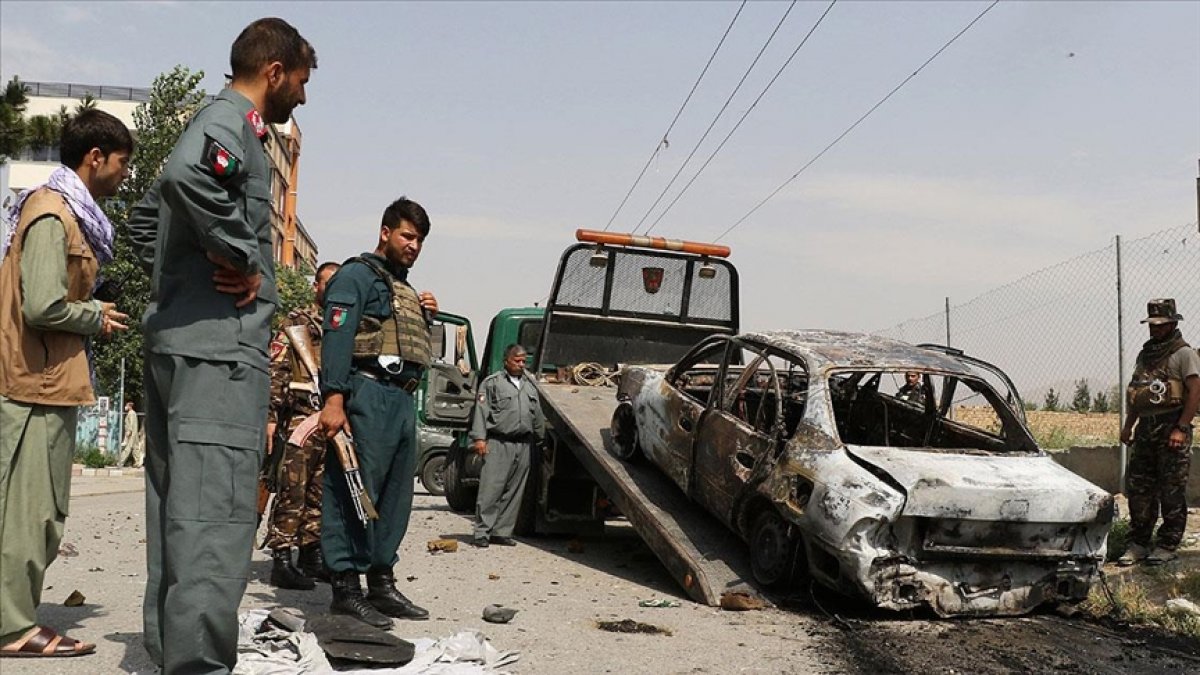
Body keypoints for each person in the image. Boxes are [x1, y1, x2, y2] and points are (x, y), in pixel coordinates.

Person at [127, 17, 315, 673]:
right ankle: (198, 663)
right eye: (300, 80)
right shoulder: (232, 122)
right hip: (216, 353)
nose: (303, 95)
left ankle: (170, 647)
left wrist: (177, 290)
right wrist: (242, 256)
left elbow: (147, 215)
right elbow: (186, 178)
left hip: (182, 340)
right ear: (274, 73)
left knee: (177, 508)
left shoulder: (211, 123)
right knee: (213, 515)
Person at [0, 109, 132, 659]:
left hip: (46, 379)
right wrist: (94, 316)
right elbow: (43, 304)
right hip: (34, 382)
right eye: (122, 163)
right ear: (94, 157)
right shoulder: (53, 213)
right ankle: (14, 629)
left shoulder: (68, 212)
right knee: (31, 515)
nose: (125, 175)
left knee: (37, 513)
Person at [318, 197, 436, 629]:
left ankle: (381, 584)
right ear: (385, 232)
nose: (414, 245)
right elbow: (337, 336)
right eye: (407, 235)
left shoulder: (402, 287)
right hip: (366, 394)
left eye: (420, 239)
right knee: (353, 492)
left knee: (394, 499)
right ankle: (346, 590)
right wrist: (333, 397)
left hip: (402, 399)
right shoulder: (355, 276)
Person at [264, 261, 340, 590]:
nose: (332, 291)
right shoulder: (298, 322)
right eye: (327, 284)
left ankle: (311, 555)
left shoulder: (341, 326)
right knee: (292, 489)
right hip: (299, 417)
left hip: (330, 421)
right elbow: (277, 369)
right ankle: (281, 558)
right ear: (316, 287)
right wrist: (270, 416)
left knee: (319, 492)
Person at [1118, 298, 1200, 566]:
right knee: (1140, 488)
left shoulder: (1183, 353)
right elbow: (1138, 395)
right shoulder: (1146, 355)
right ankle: (1139, 542)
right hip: (1145, 429)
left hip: (1172, 426)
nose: (1155, 329)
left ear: (1173, 323)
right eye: (1152, 324)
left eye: (1161, 324)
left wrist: (1181, 427)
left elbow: (1195, 392)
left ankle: (1167, 544)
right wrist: (1129, 425)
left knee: (1171, 489)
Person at [469, 344, 544, 548]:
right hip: (498, 442)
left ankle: (502, 532)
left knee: (514, 490)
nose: (521, 365)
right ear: (506, 361)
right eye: (516, 361)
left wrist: (540, 439)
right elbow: (481, 411)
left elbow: (536, 415)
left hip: (524, 444)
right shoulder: (492, 383)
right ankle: (482, 533)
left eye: (523, 361)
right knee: (491, 488)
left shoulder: (530, 385)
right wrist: (479, 439)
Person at [117, 401, 143, 468]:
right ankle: (138, 462)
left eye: (126, 405)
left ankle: (121, 462)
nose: (125, 407)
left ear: (130, 406)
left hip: (131, 434)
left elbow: (131, 423)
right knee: (135, 448)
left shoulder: (131, 413)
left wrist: (129, 431)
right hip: (134, 434)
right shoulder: (133, 413)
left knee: (127, 448)